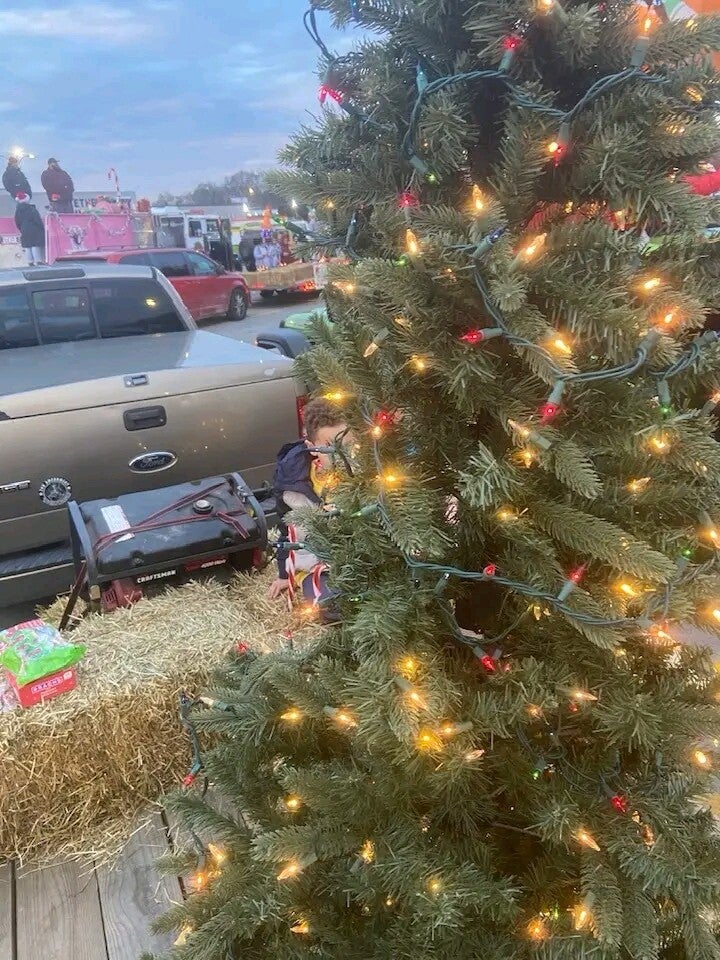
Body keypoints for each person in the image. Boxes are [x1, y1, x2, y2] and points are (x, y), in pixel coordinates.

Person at [269, 398, 351, 615]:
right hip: (317, 564)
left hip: (360, 558)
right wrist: (284, 574)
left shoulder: (368, 475)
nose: (342, 456)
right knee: (330, 607)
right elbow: (287, 528)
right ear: (312, 448)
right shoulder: (292, 481)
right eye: (330, 447)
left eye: (348, 446)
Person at [14, 192, 45, 265]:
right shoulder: (31, 209)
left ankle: (30, 261)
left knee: (27, 246)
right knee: (35, 244)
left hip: (24, 228)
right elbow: (37, 219)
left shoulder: (17, 210)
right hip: (34, 228)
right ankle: (38, 260)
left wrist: (21, 228)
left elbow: (17, 221)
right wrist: (42, 228)